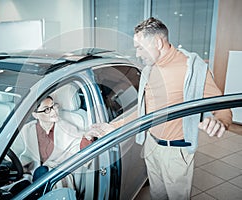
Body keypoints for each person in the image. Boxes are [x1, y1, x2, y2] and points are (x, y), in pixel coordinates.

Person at [93, 17, 232, 200]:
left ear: (158, 42)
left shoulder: (192, 69)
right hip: (152, 146)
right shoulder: (149, 70)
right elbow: (145, 112)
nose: (138, 53)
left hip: (175, 153)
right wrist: (115, 126)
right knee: (157, 195)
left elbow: (223, 107)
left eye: (140, 47)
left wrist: (220, 121)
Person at [12, 96, 94, 189]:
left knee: (41, 172)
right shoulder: (26, 130)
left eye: (53, 106)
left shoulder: (66, 127)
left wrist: (89, 136)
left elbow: (80, 145)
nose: (54, 112)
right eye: (47, 109)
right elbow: (13, 153)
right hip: (30, 176)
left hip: (57, 175)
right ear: (35, 115)